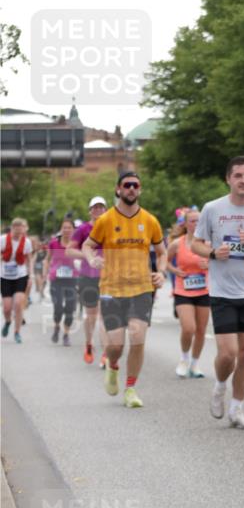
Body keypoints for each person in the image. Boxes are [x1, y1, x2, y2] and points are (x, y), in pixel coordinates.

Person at [192, 156, 244, 429]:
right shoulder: (213, 209)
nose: (243, 181)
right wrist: (213, 252)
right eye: (238, 175)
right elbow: (196, 244)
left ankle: (237, 408)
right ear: (228, 178)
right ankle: (220, 385)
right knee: (228, 353)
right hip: (223, 292)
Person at [82, 171, 167, 409]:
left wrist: (160, 272)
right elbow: (87, 245)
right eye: (127, 185)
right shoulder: (106, 220)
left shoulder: (150, 220)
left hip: (141, 289)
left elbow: (162, 252)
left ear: (140, 190)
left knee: (138, 338)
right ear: (118, 189)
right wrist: (91, 259)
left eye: (135, 185)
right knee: (116, 346)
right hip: (111, 289)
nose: (131, 189)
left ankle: (130, 387)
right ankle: (113, 365)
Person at [167, 208, 210, 378]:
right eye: (192, 221)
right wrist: (175, 270)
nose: (196, 224)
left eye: (199, 221)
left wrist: (210, 265)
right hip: (183, 289)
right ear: (185, 224)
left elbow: (220, 262)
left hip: (204, 290)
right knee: (188, 328)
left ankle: (195, 364)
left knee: (201, 330)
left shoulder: (208, 244)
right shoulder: (177, 243)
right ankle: (184, 359)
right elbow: (165, 261)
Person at [67, 196, 108, 365]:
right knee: (91, 315)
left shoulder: (112, 227)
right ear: (90, 210)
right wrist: (89, 255)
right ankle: (89, 343)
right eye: (95, 207)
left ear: (106, 209)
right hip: (87, 276)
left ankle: (106, 353)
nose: (98, 210)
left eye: (101, 207)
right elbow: (69, 251)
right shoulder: (83, 229)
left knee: (105, 316)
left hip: (108, 277)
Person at [44, 217, 78, 347]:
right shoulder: (53, 243)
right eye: (64, 227)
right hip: (56, 280)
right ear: (61, 229)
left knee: (69, 309)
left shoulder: (77, 244)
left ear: (73, 230)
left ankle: (66, 334)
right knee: (58, 309)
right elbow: (47, 259)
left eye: (69, 227)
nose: (67, 230)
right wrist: (45, 272)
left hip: (72, 280)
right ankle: (57, 326)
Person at [1, 217, 33, 343]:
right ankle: (8, 322)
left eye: (21, 231)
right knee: (7, 308)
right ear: (12, 228)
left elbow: (29, 259)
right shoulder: (3, 240)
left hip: (20, 275)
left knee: (18, 304)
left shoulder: (27, 242)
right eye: (17, 230)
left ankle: (17, 331)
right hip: (5, 276)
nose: (19, 233)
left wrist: (31, 276)